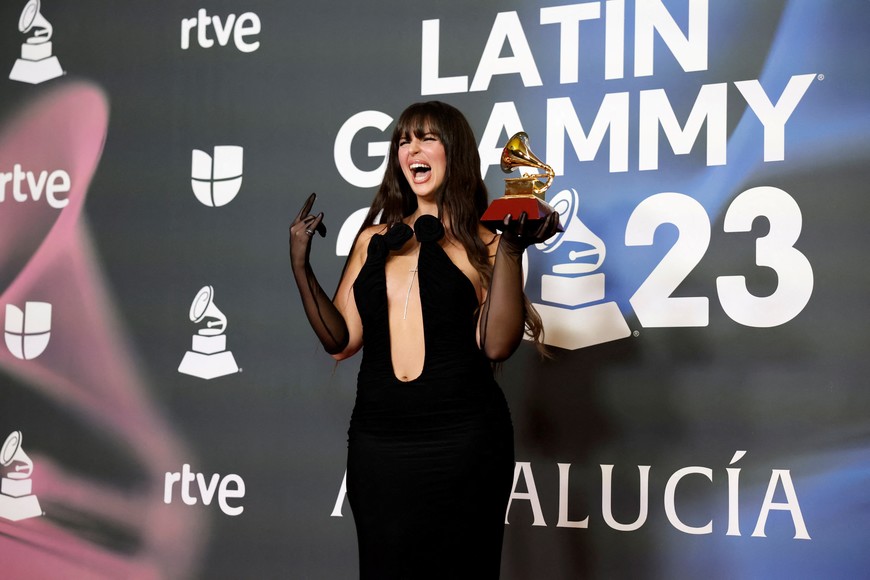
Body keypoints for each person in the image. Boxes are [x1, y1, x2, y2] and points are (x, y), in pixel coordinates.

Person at [289, 101, 559, 579]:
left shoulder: (488, 239)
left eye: (427, 137)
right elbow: (341, 340)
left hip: (464, 441)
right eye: (403, 140)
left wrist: (512, 249)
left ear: (453, 152)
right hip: (379, 445)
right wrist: (301, 264)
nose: (412, 148)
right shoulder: (372, 239)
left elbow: (496, 346)